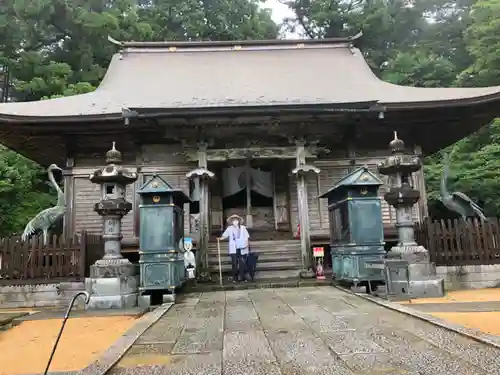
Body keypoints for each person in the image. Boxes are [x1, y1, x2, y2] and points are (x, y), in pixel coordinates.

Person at [218, 214, 250, 283]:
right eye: (233, 221)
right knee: (234, 263)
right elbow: (224, 235)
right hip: (233, 249)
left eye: (236, 220)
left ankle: (242, 277)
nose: (235, 222)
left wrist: (247, 245)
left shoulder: (243, 228)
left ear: (238, 221)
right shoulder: (229, 228)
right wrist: (220, 238)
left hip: (242, 248)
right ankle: (235, 279)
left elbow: (247, 237)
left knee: (242, 263)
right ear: (232, 222)